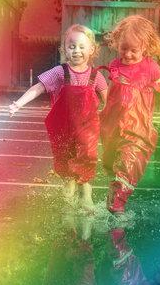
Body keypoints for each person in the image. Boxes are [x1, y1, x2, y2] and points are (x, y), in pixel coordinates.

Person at [99, 14, 160, 220]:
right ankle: (113, 196)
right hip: (113, 127)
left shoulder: (150, 68)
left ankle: (118, 207)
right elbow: (110, 91)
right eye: (124, 48)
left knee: (128, 163)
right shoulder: (116, 64)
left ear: (146, 47)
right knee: (112, 164)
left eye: (134, 50)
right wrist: (102, 111)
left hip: (137, 129)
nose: (128, 54)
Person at [8, 24, 108, 211]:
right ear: (64, 49)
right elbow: (38, 88)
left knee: (87, 158)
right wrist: (19, 103)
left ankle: (87, 197)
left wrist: (118, 118)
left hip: (87, 129)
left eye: (81, 46)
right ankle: (68, 190)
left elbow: (109, 101)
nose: (76, 51)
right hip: (63, 130)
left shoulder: (97, 77)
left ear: (92, 49)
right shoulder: (60, 72)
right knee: (64, 162)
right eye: (71, 46)